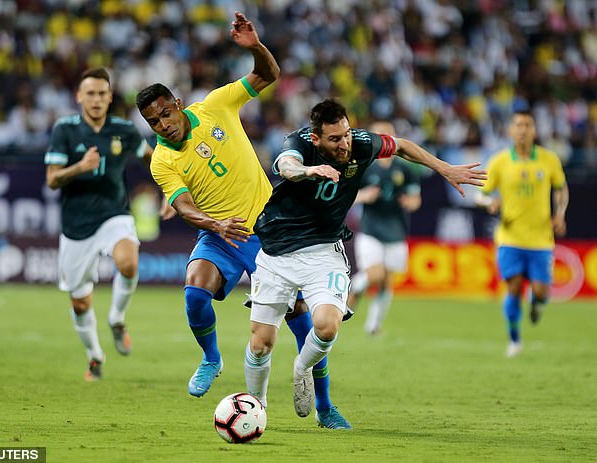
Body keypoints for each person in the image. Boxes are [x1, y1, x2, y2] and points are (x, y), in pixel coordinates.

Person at [135, 12, 350, 429]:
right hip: (220, 234)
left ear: (177, 103)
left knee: (305, 325)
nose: (164, 124)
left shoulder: (216, 105)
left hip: (271, 233)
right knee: (194, 289)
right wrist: (215, 226)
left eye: (165, 113)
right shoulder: (161, 159)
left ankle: (324, 407)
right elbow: (181, 207)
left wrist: (253, 45)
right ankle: (211, 358)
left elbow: (268, 74)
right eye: (154, 121)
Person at [245, 99, 486, 423]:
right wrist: (308, 171)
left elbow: (402, 146)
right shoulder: (298, 143)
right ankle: (256, 408)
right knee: (261, 344)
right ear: (316, 139)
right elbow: (286, 165)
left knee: (327, 327)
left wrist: (443, 168)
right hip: (278, 251)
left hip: (323, 252)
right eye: (334, 139)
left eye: (345, 134)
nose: (344, 143)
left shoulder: (361, 143)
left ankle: (302, 368)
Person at [45, 67, 153, 381]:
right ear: (79, 97)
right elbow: (52, 179)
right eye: (90, 93)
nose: (95, 99)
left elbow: (152, 159)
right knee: (80, 302)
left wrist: (169, 190)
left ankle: (117, 319)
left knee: (129, 262)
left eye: (102, 94)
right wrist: (79, 167)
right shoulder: (64, 130)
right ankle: (95, 357)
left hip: (114, 214)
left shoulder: (124, 130)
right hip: (76, 225)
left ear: (109, 97)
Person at [475, 110, 568, 358]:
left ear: (535, 130)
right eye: (518, 125)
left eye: (527, 124)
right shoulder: (500, 161)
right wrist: (489, 204)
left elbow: (560, 188)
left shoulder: (549, 160)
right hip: (509, 237)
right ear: (510, 131)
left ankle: (537, 306)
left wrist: (560, 213)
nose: (523, 129)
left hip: (541, 238)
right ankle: (514, 339)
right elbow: (480, 194)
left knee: (540, 292)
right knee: (514, 287)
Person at [349, 121, 422, 336]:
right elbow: (348, 197)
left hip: (396, 230)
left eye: (388, 134)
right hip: (371, 228)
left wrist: (410, 202)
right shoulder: (363, 166)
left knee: (386, 282)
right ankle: (354, 287)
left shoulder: (405, 169)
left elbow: (416, 198)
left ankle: (373, 326)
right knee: (375, 275)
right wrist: (364, 196)